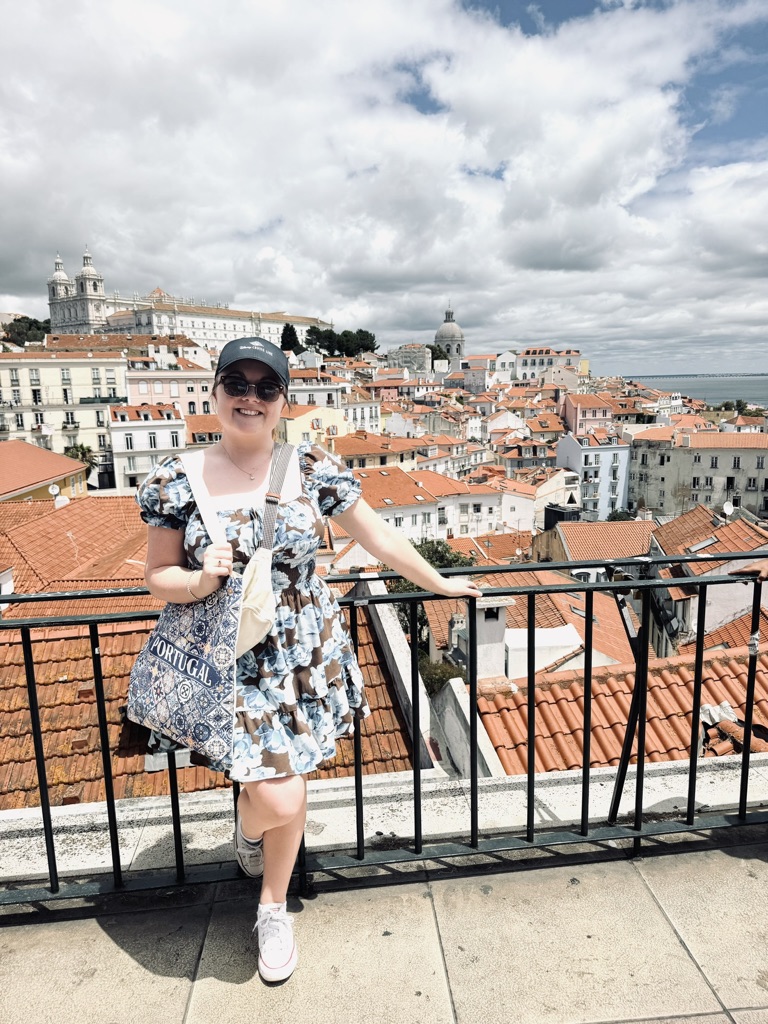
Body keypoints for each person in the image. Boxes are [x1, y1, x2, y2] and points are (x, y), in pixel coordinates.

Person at [136, 336, 482, 983]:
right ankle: (252, 839)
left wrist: (439, 584)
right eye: (236, 383)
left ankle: (271, 903)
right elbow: (156, 574)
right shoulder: (175, 479)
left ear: (283, 402)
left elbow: (377, 536)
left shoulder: (313, 465)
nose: (250, 397)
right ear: (213, 393)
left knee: (286, 791)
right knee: (280, 792)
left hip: (302, 659)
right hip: (232, 665)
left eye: (266, 387)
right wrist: (197, 580)